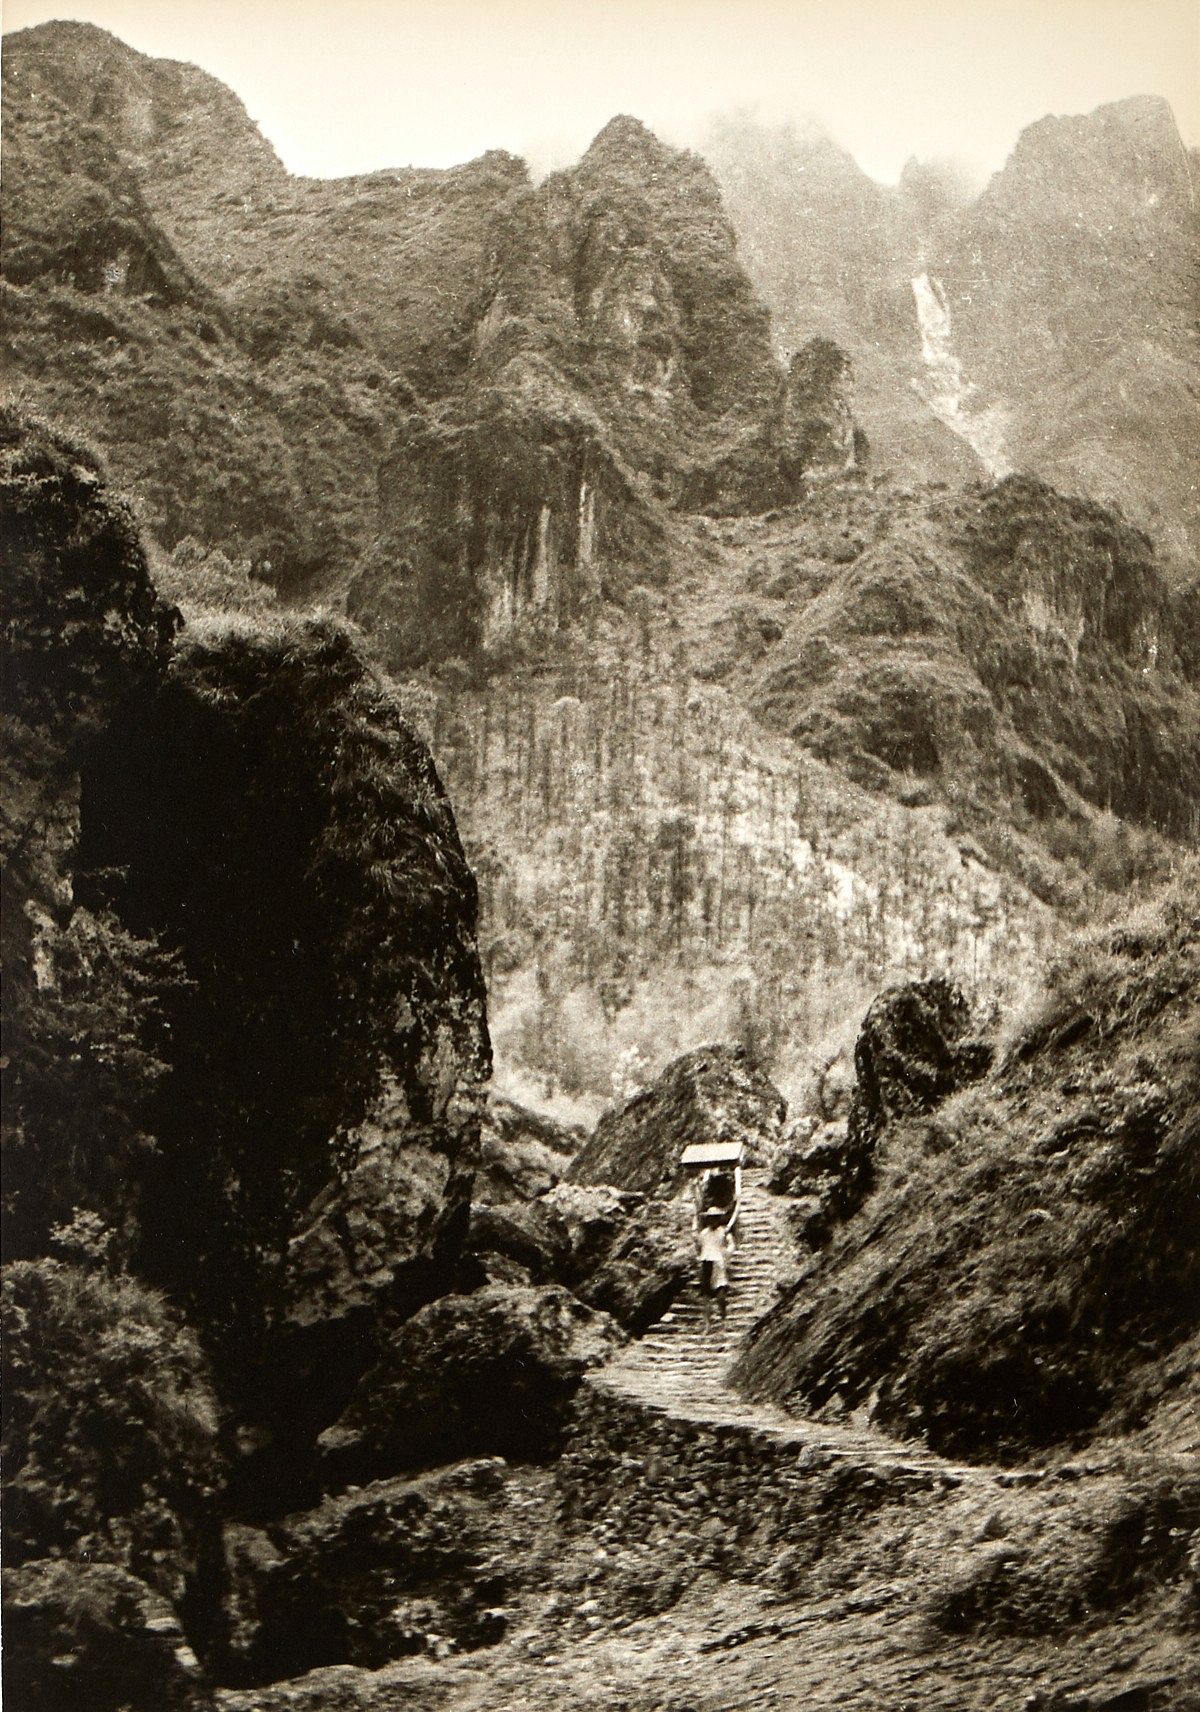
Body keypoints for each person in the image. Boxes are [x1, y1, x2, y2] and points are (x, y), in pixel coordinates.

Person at [694, 1206, 734, 1331]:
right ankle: (707, 1324)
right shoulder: (703, 1234)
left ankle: (723, 1319)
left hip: (719, 1264)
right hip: (706, 1263)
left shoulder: (724, 1232)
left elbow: (731, 1245)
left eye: (715, 1218)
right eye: (711, 1218)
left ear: (719, 1219)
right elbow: (699, 1248)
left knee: (721, 1295)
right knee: (706, 1296)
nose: (713, 1221)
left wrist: (726, 1254)